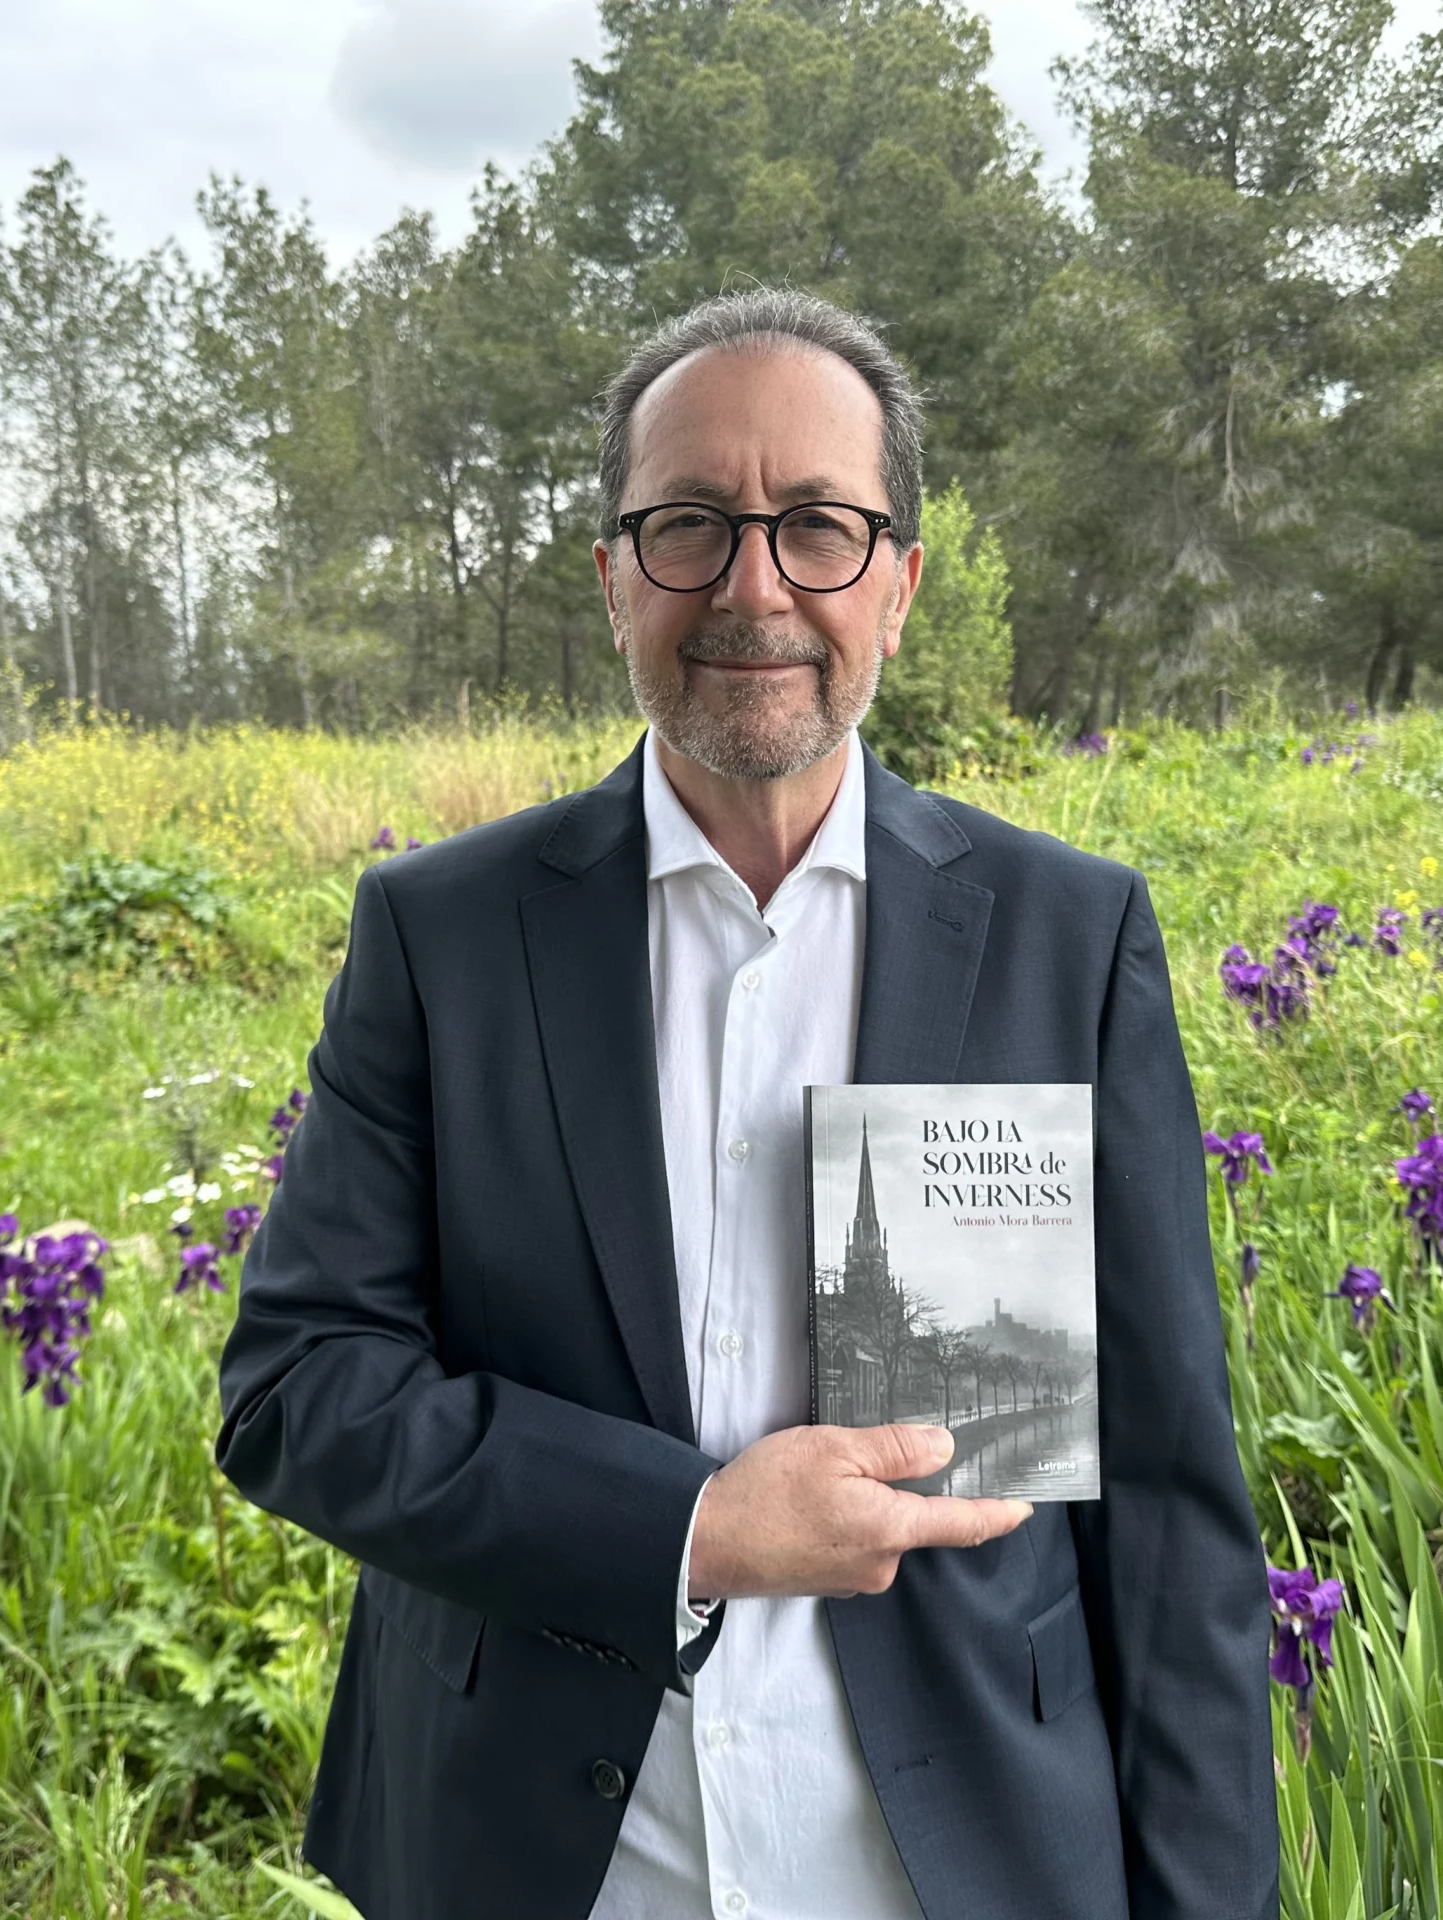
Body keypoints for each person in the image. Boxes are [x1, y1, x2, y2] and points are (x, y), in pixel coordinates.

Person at [215, 288, 1273, 1920]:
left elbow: (1166, 1503)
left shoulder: (1065, 938)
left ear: (903, 585)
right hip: (552, 1865)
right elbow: (300, 1390)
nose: (756, 586)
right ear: (616, 576)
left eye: (820, 528)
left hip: (966, 1858)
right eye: (692, 524)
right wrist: (691, 1526)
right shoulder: (446, 936)